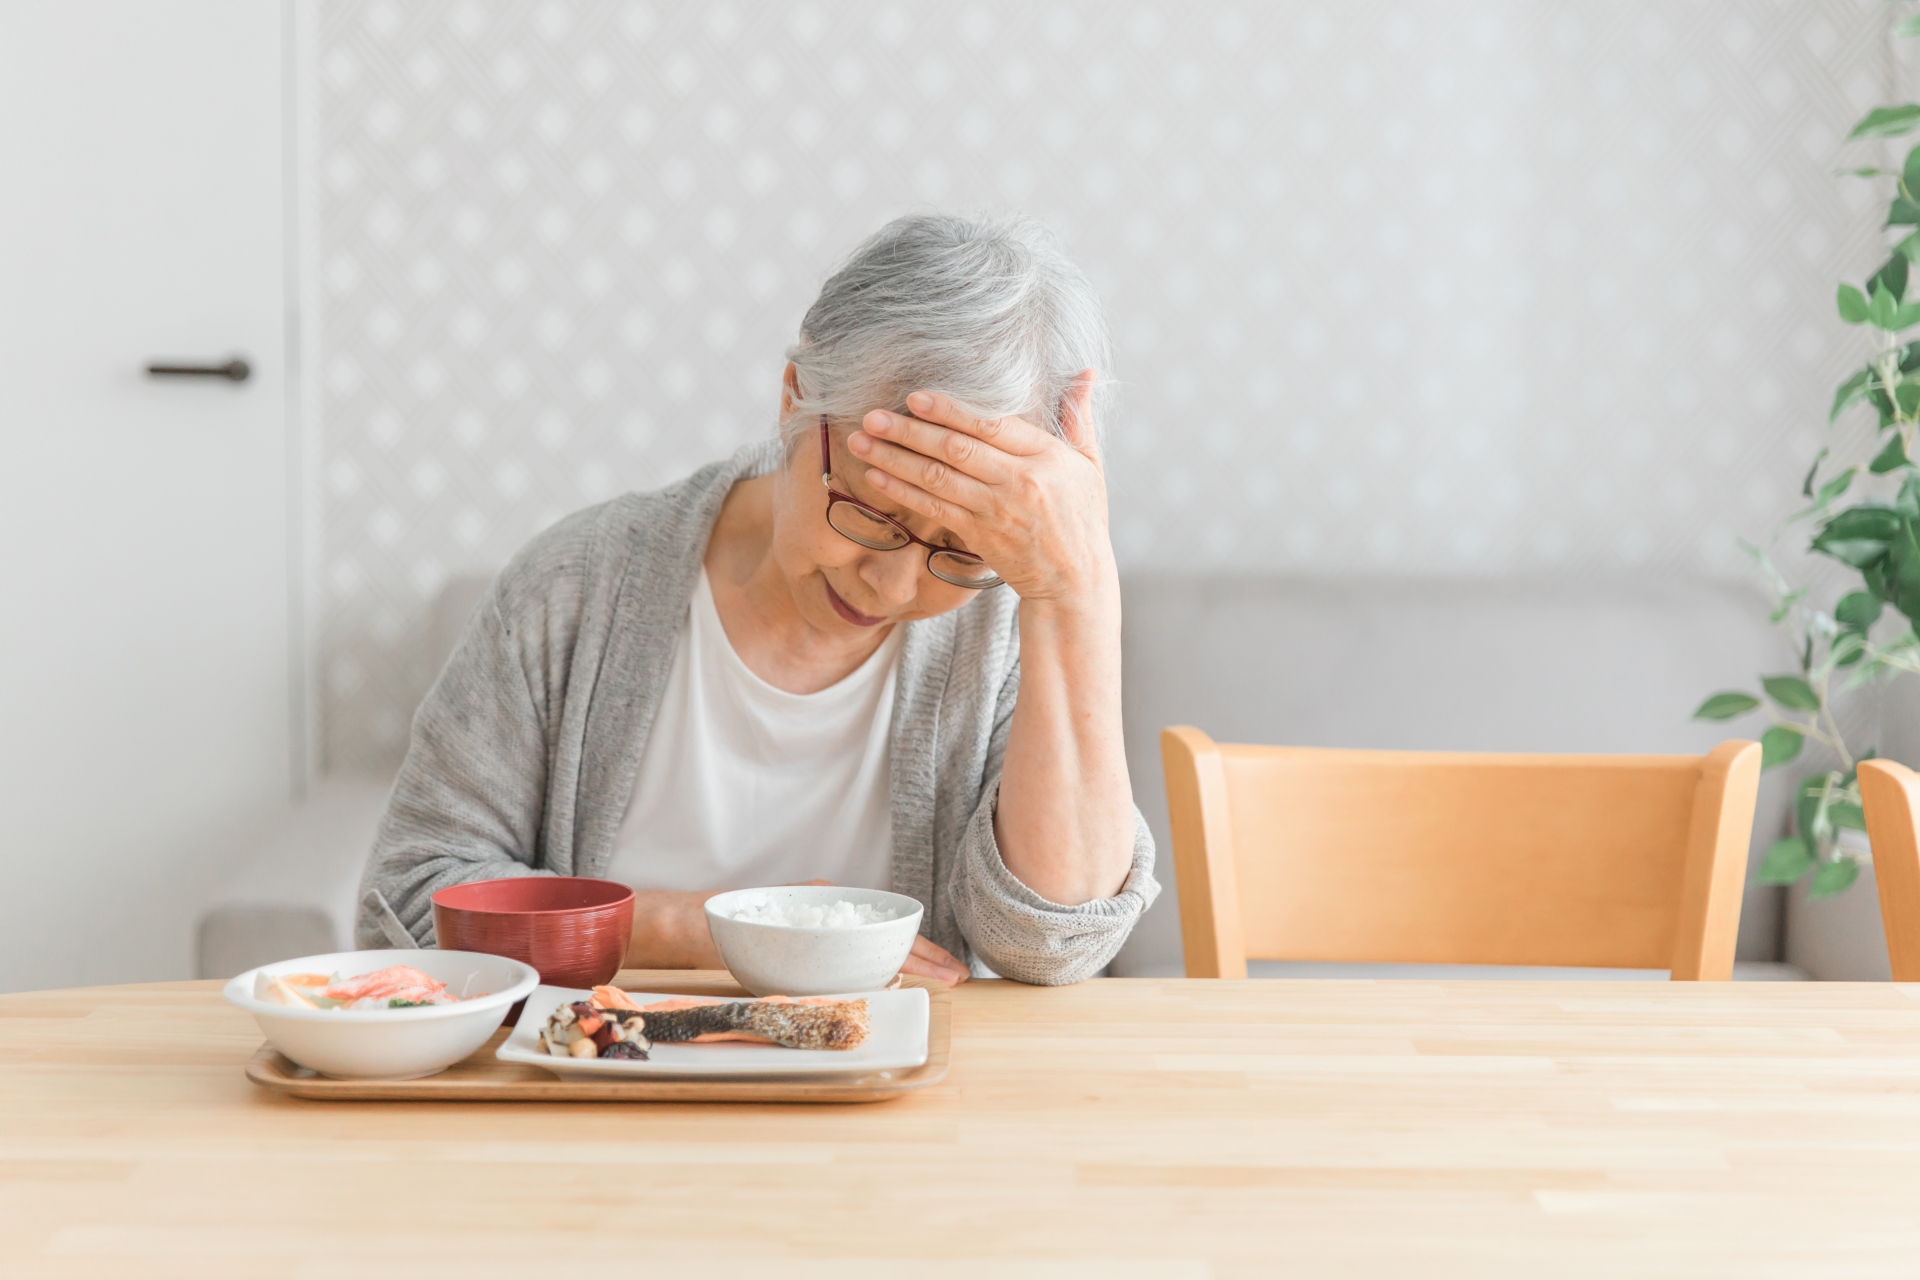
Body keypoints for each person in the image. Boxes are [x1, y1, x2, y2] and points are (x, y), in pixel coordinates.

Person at [356, 212, 1157, 985]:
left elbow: (1053, 947)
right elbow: (406, 904)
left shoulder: (1013, 624)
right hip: (608, 1104)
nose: (893, 582)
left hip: (907, 1112)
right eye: (872, 512)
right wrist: (720, 929)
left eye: (958, 548)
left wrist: (1076, 590)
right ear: (794, 399)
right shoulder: (575, 588)